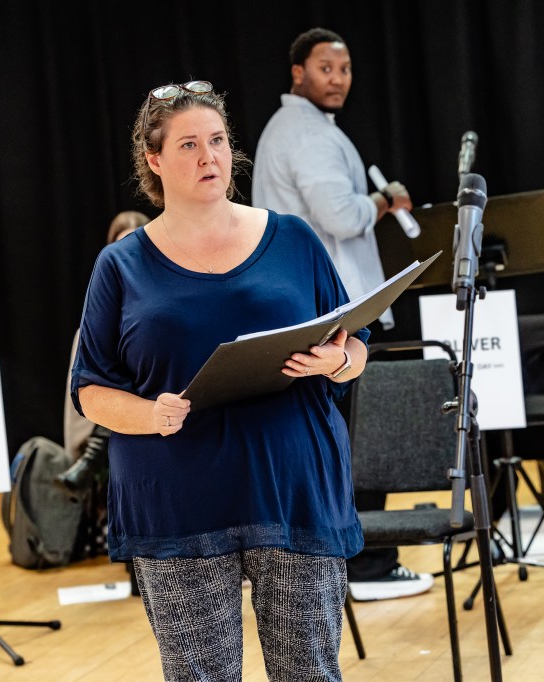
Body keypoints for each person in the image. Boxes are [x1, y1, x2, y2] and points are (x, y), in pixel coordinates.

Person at [71, 79, 368, 681]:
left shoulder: (294, 238)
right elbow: (90, 389)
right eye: (187, 145)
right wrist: (149, 415)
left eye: (218, 140)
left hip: (291, 488)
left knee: (309, 671)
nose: (209, 157)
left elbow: (355, 346)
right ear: (154, 161)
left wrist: (334, 362)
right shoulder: (120, 264)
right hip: (177, 498)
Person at [253, 27, 433, 602]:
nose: (338, 78)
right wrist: (383, 201)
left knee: (342, 442)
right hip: (332, 314)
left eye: (346, 68)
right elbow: (339, 215)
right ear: (297, 73)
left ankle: (351, 560)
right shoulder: (305, 134)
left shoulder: (304, 130)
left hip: (319, 308)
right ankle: (368, 564)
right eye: (325, 68)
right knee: (357, 444)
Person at [57, 210, 149, 493]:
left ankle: (93, 455)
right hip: (113, 434)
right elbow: (80, 405)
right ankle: (92, 453)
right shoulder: (96, 320)